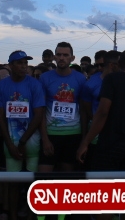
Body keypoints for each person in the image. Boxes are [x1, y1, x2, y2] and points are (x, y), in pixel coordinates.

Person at [77, 49, 125, 218]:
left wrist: (85, 142)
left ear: (118, 64)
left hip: (110, 143)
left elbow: (103, 112)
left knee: (106, 195)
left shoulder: (111, 79)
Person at [0, 51, 45, 220]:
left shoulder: (34, 84)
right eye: (19, 63)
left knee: (33, 184)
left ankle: (31, 217)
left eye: (25, 63)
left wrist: (23, 141)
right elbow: (0, 116)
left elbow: (39, 114)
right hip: (11, 139)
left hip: (31, 139)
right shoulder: (2, 86)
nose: (24, 66)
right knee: (13, 183)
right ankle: (13, 216)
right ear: (11, 65)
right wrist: (9, 143)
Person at [39, 42, 87, 174]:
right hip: (51, 134)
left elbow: (83, 110)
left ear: (72, 58)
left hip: (73, 135)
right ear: (54, 57)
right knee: (43, 176)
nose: (62, 58)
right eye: (59, 55)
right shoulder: (44, 78)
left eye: (65, 55)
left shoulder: (80, 78)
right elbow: (41, 110)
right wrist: (45, 138)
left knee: (67, 177)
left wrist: (83, 140)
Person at [79, 50, 119, 168]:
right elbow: (86, 110)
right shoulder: (91, 83)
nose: (100, 68)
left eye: (102, 65)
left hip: (117, 133)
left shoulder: (122, 80)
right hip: (96, 134)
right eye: (97, 65)